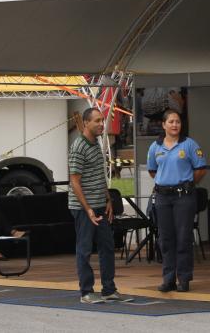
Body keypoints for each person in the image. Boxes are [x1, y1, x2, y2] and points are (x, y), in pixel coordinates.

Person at [68, 107, 132, 304]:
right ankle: (86, 292)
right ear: (86, 123)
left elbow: (98, 175)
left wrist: (108, 199)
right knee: (85, 248)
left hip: (100, 205)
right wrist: (87, 209)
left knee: (107, 246)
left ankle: (109, 289)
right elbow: (75, 181)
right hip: (82, 208)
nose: (101, 124)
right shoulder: (79, 146)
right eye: (97, 120)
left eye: (102, 120)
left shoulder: (96, 143)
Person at [147, 109, 207, 292]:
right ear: (164, 125)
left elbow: (200, 169)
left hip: (183, 197)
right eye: (171, 122)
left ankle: (184, 278)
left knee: (183, 238)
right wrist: (165, 181)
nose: (175, 125)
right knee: (165, 239)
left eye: (177, 122)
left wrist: (186, 183)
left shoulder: (189, 144)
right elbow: (152, 170)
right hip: (163, 197)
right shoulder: (155, 147)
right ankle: (168, 278)